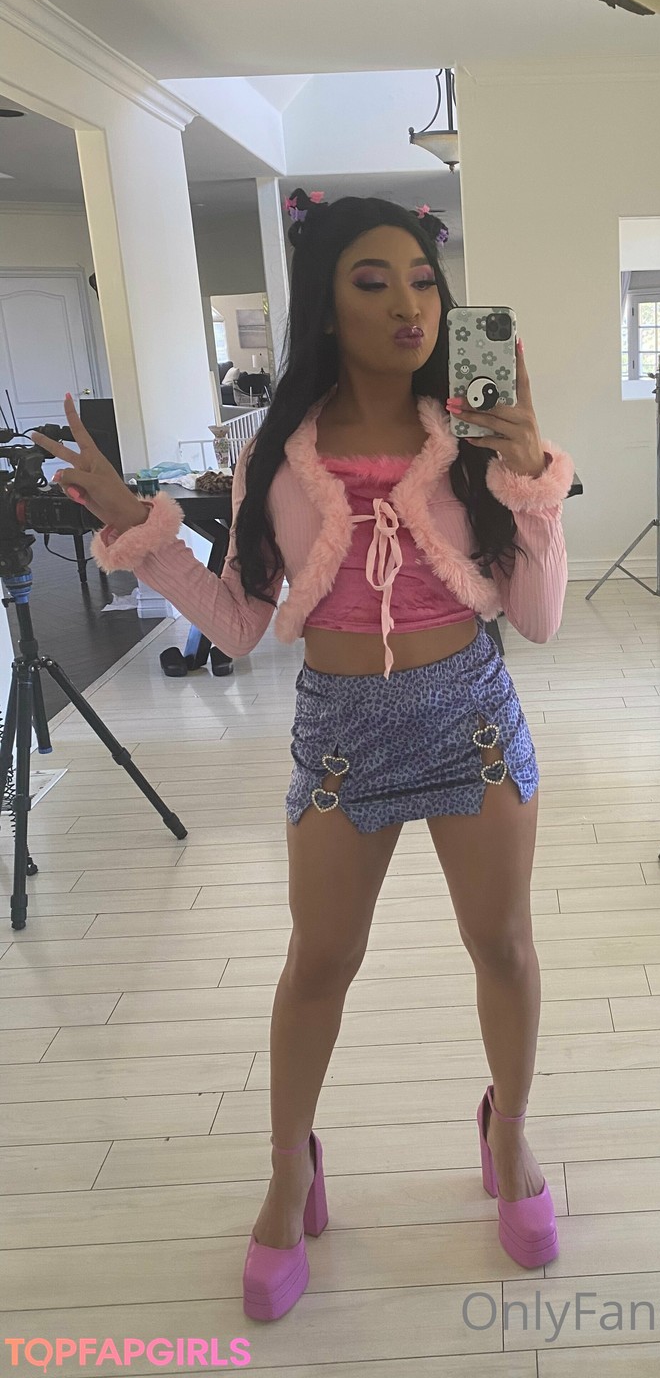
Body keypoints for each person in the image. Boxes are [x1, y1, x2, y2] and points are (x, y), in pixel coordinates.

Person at [29, 191, 575, 1322]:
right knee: (319, 962)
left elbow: (537, 619)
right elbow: (238, 624)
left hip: (471, 717)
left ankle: (510, 1133)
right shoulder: (275, 452)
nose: (409, 305)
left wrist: (533, 490)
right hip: (339, 733)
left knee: (504, 946)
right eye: (372, 282)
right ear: (326, 304)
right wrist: (140, 524)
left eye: (423, 281)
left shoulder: (474, 436)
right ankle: (290, 1172)